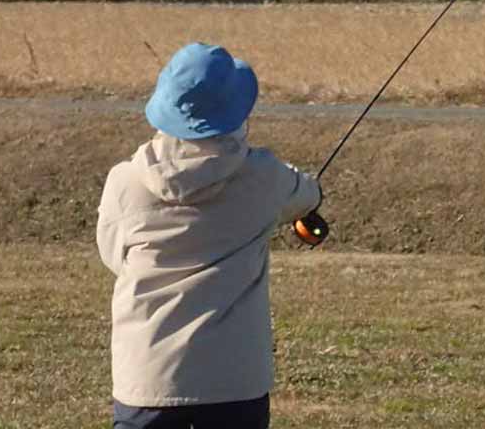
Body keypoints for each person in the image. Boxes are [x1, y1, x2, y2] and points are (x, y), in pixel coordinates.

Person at [97, 42, 321, 429]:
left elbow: (114, 256)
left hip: (147, 379)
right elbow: (309, 195)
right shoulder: (264, 177)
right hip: (235, 381)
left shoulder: (125, 181)